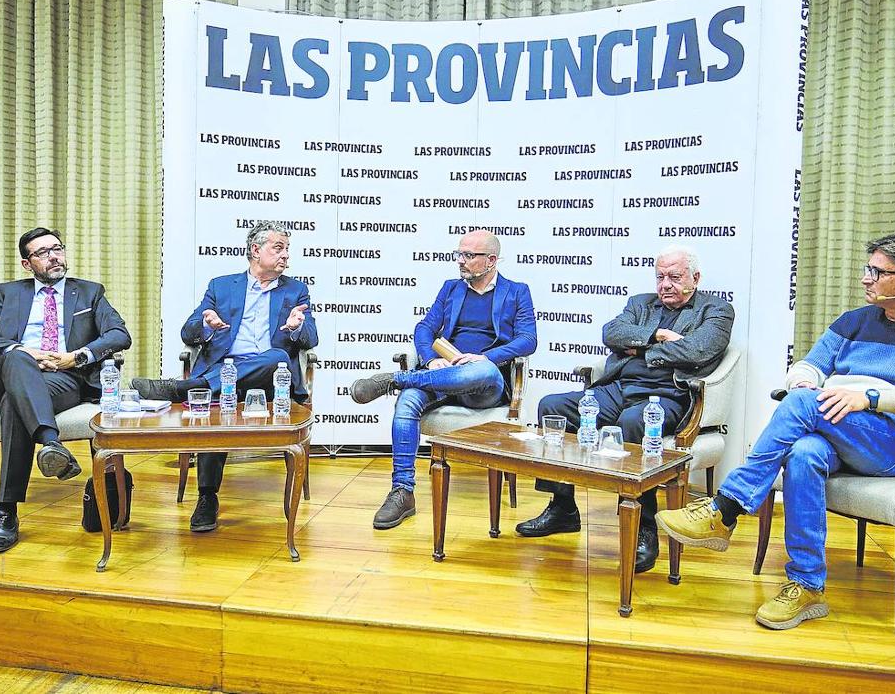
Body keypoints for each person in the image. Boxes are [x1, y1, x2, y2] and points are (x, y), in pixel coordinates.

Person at [657, 233, 895, 630]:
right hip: (838, 431)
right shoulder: (853, 322)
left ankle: (726, 508)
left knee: (806, 406)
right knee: (804, 452)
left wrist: (874, 398)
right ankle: (807, 586)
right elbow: (808, 366)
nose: (866, 279)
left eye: (877, 272)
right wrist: (805, 383)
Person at [516, 244, 733, 574]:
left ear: (695, 278)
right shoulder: (640, 303)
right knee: (553, 406)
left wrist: (640, 351)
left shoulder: (716, 310)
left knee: (632, 423)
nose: (665, 285)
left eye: (675, 277)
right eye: (660, 277)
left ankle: (644, 526)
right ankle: (562, 507)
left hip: (667, 396)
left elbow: (700, 350)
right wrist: (658, 336)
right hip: (617, 389)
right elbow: (612, 333)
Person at [132, 221, 317, 533]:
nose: (286, 256)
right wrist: (206, 324)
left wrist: (297, 326)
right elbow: (188, 332)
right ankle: (207, 498)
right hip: (225, 371)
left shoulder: (295, 290)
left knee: (278, 357)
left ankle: (189, 388)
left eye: (287, 249)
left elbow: (311, 339)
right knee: (218, 400)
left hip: (271, 380)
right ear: (255, 251)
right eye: (278, 248)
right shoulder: (221, 286)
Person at [350, 229, 537, 529]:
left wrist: (486, 357)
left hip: (484, 384)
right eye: (458, 254)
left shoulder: (517, 292)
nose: (460, 261)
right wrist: (431, 359)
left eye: (468, 255)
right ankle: (402, 492)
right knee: (409, 399)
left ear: (490, 260)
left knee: (483, 371)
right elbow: (424, 328)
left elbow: (528, 340)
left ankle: (397, 379)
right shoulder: (451, 289)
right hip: (442, 378)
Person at [0, 227, 132, 554]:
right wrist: (21, 350)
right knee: (18, 360)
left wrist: (77, 356)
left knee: (15, 403)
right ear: (28, 264)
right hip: (8, 373)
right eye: (42, 252)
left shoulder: (89, 292)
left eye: (57, 248)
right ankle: (50, 442)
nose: (53, 256)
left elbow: (118, 334)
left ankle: (6, 512)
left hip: (63, 376)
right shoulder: (8, 293)